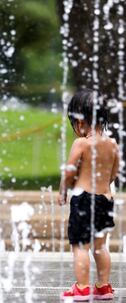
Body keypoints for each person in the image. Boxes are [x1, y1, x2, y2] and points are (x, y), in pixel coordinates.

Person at [59, 89, 119, 301]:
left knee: (80, 246)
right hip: (105, 199)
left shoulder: (81, 143)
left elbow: (69, 170)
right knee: (100, 246)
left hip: (84, 198)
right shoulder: (112, 144)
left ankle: (82, 288)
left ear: (80, 122)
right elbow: (114, 173)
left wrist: (63, 191)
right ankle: (103, 287)